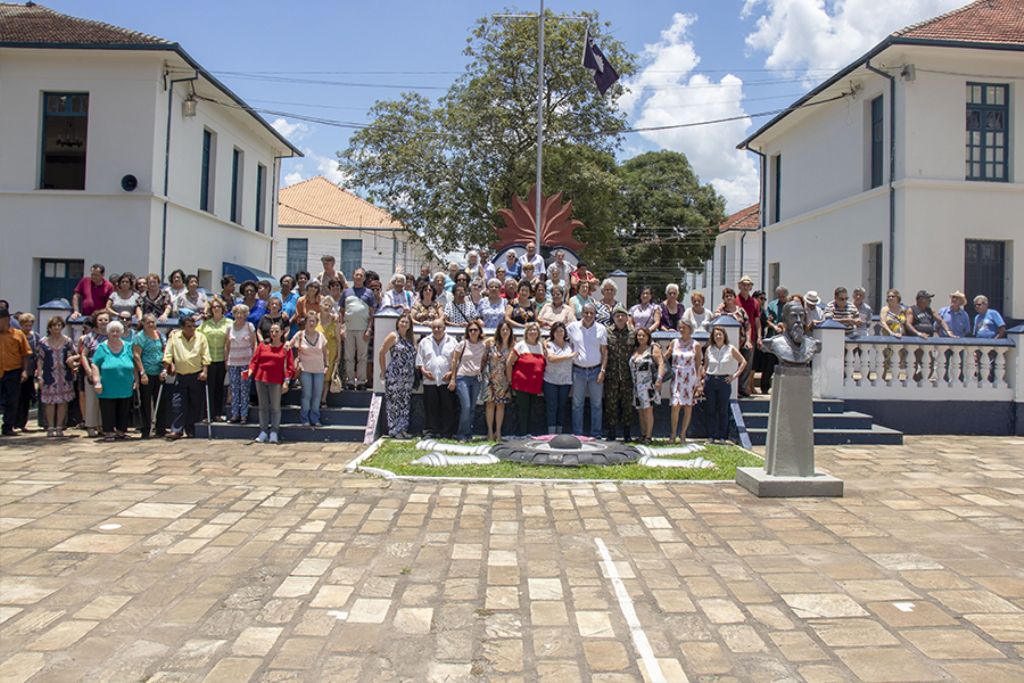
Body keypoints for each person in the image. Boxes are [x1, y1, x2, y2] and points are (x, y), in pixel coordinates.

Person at [161, 316, 211, 440]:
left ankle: (192, 429)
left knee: (195, 403)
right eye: (189, 326)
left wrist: (205, 371)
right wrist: (166, 368)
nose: (192, 329)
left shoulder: (201, 337)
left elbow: (205, 355)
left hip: (196, 375)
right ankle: (177, 430)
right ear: (182, 327)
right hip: (180, 375)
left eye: (194, 326)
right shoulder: (174, 336)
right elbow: (168, 354)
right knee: (178, 403)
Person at [245, 322, 294, 443]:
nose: (274, 333)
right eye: (272, 331)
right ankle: (263, 431)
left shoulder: (285, 348)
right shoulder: (262, 346)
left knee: (275, 407)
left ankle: (274, 431)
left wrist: (286, 381)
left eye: (277, 331)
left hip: (276, 380)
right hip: (260, 379)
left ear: (282, 332)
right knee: (263, 407)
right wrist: (248, 373)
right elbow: (254, 361)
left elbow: (290, 366)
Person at [90, 319, 136, 441]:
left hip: (125, 384)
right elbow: (95, 364)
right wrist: (97, 381)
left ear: (121, 332)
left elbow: (135, 362)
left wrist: (136, 379)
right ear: (108, 333)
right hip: (107, 386)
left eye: (117, 331)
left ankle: (121, 431)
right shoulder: (102, 347)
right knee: (107, 409)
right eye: (112, 331)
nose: (115, 334)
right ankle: (109, 432)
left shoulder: (128, 346)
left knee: (124, 408)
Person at [568, 304, 607, 438]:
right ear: (582, 313)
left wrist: (603, 370)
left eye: (591, 313)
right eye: (586, 313)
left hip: (596, 370)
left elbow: (604, 352)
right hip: (578, 371)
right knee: (577, 404)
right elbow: (558, 337)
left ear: (595, 314)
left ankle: (596, 434)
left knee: (596, 404)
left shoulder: (601, 329)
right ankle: (578, 434)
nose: (589, 315)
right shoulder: (572, 327)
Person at [704, 325, 746, 444]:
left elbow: (743, 362)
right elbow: (705, 365)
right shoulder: (709, 349)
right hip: (710, 380)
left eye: (720, 334)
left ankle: (722, 437)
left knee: (723, 410)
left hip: (724, 382)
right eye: (716, 334)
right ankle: (710, 436)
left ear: (724, 336)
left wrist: (734, 376)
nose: (718, 337)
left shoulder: (730, 348)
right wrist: (702, 379)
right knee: (710, 409)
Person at [416, 319, 458, 438]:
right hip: (430, 380)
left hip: (446, 380)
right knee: (431, 407)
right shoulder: (425, 342)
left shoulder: (452, 341)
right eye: (434, 327)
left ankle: (447, 432)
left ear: (444, 328)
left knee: (448, 407)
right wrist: (423, 371)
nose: (436, 330)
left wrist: (451, 373)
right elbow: (419, 360)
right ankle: (431, 431)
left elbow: (456, 361)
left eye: (439, 327)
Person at [378, 313, 416, 438]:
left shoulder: (410, 338)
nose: (404, 324)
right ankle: (394, 429)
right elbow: (382, 352)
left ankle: (403, 429)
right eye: (402, 321)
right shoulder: (393, 336)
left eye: (406, 322)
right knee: (394, 403)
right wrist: (383, 372)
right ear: (398, 323)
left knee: (405, 403)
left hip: (408, 376)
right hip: (395, 375)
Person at [37, 316, 76, 438]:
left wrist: (72, 360)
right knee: (50, 402)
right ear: (49, 327)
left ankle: (60, 426)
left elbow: (75, 354)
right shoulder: (43, 342)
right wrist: (39, 375)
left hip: (64, 375)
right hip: (49, 375)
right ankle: (50, 426)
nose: (57, 328)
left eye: (59, 325)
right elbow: (40, 360)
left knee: (63, 401)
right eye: (54, 325)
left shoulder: (67, 341)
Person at [448, 321, 486, 441]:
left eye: (475, 330)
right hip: (462, 377)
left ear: (480, 331)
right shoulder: (462, 344)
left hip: (476, 378)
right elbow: (454, 360)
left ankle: (468, 433)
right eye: (470, 330)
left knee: (473, 407)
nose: (473, 332)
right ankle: (461, 434)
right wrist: (453, 378)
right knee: (466, 406)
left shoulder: (484, 345)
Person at [507, 322, 545, 437]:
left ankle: (530, 432)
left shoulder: (540, 346)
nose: (533, 332)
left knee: (532, 409)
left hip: (535, 384)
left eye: (535, 330)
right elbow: (509, 363)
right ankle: (522, 433)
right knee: (523, 409)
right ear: (526, 332)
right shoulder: (520, 345)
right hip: (522, 383)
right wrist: (510, 380)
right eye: (530, 330)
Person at [340, 268, 376, 390]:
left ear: (364, 278)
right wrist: (342, 327)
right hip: (349, 329)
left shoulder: (369, 293)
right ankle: (350, 381)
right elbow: (341, 311)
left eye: (361, 275)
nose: (359, 277)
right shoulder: (346, 292)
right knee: (348, 357)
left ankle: (361, 381)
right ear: (353, 276)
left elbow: (372, 313)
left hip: (363, 329)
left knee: (362, 356)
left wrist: (369, 329)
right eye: (357, 275)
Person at [133, 314, 168, 438]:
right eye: (148, 322)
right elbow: (136, 355)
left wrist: (164, 369)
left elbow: (164, 351)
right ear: (143, 323)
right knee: (146, 402)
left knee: (161, 401)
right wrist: (142, 373)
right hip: (146, 373)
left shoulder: (160, 335)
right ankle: (146, 428)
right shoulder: (139, 337)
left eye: (153, 322)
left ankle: (161, 428)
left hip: (159, 372)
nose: (151, 325)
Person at [668, 319, 703, 443]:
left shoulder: (696, 344)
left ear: (690, 329)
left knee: (688, 406)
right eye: (680, 327)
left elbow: (698, 364)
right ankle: (673, 434)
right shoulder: (674, 342)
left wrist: (698, 382)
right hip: (677, 376)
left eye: (684, 327)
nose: (682, 330)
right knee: (675, 405)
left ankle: (683, 434)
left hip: (690, 376)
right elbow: (666, 356)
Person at [603, 304, 635, 441]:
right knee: (611, 405)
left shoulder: (633, 333)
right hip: (611, 375)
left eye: (622, 315)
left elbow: (644, 345)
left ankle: (627, 433)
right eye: (617, 315)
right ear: (613, 318)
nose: (620, 317)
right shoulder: (607, 332)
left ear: (627, 317)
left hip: (628, 376)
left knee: (627, 405)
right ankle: (611, 432)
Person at [292, 311, 328, 427]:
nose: (311, 323)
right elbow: (289, 345)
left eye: (314, 321)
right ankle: (304, 418)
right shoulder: (300, 335)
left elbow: (325, 352)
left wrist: (326, 365)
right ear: (305, 322)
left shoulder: (321, 336)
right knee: (307, 395)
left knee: (317, 395)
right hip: (305, 369)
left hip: (319, 369)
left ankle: (315, 418)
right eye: (309, 321)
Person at [0, 309, 32, 437]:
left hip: (13, 371)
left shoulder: (18, 334)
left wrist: (25, 371)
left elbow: (25, 354)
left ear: (7, 320)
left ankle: (8, 427)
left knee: (12, 401)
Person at [198, 297, 232, 420]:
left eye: (218, 307)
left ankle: (217, 413)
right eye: (214, 307)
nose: (216, 309)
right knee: (209, 387)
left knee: (219, 388)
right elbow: (197, 337)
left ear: (222, 309)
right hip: (209, 360)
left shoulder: (229, 323)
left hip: (223, 360)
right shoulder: (205, 324)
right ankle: (208, 414)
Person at [715, 288, 752, 397]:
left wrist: (748, 341)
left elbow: (748, 326)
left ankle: (742, 386)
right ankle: (731, 388)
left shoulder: (741, 311)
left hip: (741, 342)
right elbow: (714, 319)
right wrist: (719, 310)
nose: (729, 298)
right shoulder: (721, 311)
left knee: (748, 353)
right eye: (726, 296)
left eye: (731, 295)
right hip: (726, 345)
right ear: (723, 299)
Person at [629, 326, 664, 444]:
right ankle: (643, 434)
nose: (641, 337)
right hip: (636, 385)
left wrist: (659, 379)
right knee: (640, 411)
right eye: (639, 335)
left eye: (643, 335)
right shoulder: (635, 349)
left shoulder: (652, 349)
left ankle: (648, 436)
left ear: (648, 336)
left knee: (648, 410)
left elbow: (661, 363)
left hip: (648, 385)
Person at [78, 310, 109, 437]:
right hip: (92, 371)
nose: (103, 322)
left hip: (107, 372)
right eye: (100, 320)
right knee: (91, 400)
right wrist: (88, 370)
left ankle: (102, 425)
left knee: (105, 400)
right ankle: (90, 425)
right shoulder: (90, 337)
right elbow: (83, 355)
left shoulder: (111, 335)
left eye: (106, 320)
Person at [539, 321, 575, 435]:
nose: (559, 333)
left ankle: (559, 433)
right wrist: (569, 356)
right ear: (552, 333)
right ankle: (551, 433)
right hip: (550, 380)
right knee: (552, 406)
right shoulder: (549, 344)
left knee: (562, 407)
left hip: (566, 381)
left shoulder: (570, 345)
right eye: (557, 331)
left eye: (561, 331)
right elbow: (551, 358)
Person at [482, 321, 514, 441]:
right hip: (489, 377)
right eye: (502, 330)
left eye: (507, 330)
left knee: (501, 406)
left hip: (503, 379)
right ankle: (490, 432)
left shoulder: (512, 346)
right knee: (490, 404)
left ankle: (498, 432)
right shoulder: (491, 343)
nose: (505, 332)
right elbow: (484, 358)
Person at [225, 304, 256, 424]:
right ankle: (234, 414)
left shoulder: (249, 326)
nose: (239, 316)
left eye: (242, 313)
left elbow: (254, 344)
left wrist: (253, 362)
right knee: (234, 388)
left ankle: (244, 415)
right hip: (233, 363)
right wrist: (226, 360)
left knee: (244, 388)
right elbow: (226, 345)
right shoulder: (229, 327)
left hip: (245, 364)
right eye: (237, 313)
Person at [736, 277, 761, 396]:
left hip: (751, 336)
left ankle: (743, 387)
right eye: (743, 284)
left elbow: (757, 321)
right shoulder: (735, 300)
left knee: (748, 362)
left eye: (748, 285)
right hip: (736, 336)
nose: (745, 287)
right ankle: (735, 386)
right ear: (739, 286)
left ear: (751, 287)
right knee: (736, 361)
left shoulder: (755, 302)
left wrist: (759, 337)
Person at [14, 313, 39, 431]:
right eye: (25, 325)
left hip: (30, 371)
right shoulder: (16, 335)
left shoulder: (35, 337)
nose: (28, 328)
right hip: (17, 369)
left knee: (26, 397)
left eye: (30, 325)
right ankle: (14, 421)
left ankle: (22, 423)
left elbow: (39, 352)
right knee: (15, 397)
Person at [317, 295, 342, 407]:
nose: (327, 307)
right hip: (316, 352)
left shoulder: (334, 321)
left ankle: (323, 399)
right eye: (325, 304)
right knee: (317, 376)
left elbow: (338, 340)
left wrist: (339, 355)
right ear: (320, 306)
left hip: (330, 351)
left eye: (330, 305)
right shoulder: (315, 318)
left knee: (327, 377)